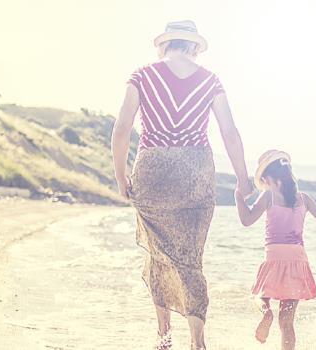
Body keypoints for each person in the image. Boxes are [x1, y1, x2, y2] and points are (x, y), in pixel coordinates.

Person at [110, 20, 252, 350]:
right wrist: (243, 180)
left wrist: (120, 177)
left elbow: (122, 129)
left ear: (165, 45)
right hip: (196, 170)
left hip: (153, 170)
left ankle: (164, 337)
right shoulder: (210, 80)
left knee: (159, 254)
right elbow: (230, 133)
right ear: (193, 47)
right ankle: (197, 340)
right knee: (190, 257)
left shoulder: (142, 75)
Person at [234, 150, 316, 350]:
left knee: (260, 296)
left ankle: (266, 313)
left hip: (274, 256)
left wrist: (238, 196)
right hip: (298, 261)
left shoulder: (268, 195)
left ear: (268, 177)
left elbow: (246, 220)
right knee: (287, 324)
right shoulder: (303, 198)